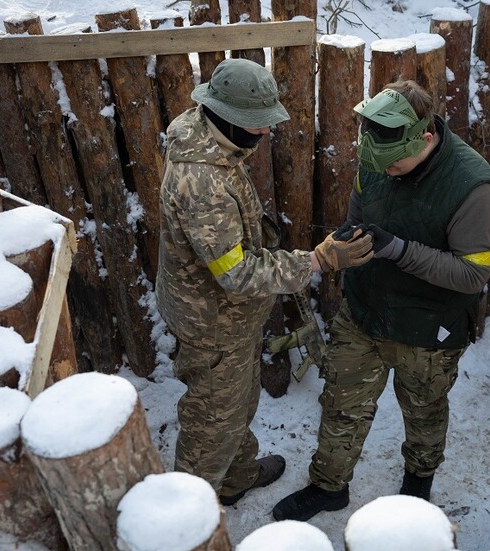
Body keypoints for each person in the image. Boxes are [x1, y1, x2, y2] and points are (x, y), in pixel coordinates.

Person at [273, 80, 490, 521]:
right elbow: (358, 214)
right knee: (341, 404)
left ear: (426, 138)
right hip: (364, 313)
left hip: (428, 329)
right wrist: (349, 238)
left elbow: (473, 274)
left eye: (395, 164)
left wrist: (397, 249)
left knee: (424, 412)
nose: (386, 170)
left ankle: (419, 481)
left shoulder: (473, 188)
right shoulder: (376, 158)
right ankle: (328, 486)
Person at [155, 58, 373, 506]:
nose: (266, 133)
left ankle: (236, 478)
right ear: (227, 117)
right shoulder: (205, 184)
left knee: (237, 404)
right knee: (212, 423)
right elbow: (236, 274)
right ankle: (183, 518)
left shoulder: (201, 130)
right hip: (213, 322)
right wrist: (316, 261)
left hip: (225, 318)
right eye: (257, 126)